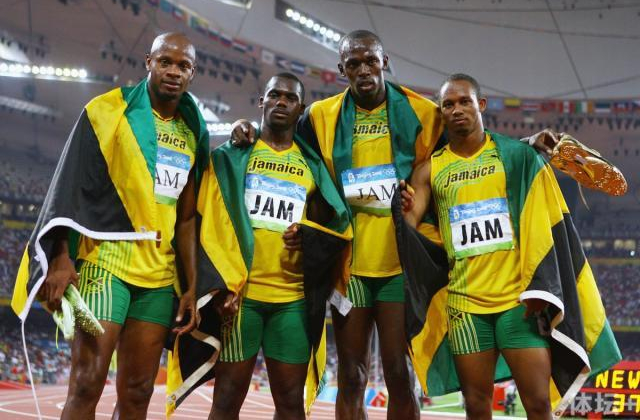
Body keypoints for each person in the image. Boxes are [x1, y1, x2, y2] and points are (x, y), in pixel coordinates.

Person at [231, 30, 560, 419]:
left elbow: (469, 141)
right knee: (351, 376)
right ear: (342, 69)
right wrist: (246, 129)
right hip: (349, 269)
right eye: (354, 63)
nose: (364, 70)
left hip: (399, 269)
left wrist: (525, 144)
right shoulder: (320, 116)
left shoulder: (423, 112)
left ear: (384, 62)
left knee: (399, 374)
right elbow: (282, 142)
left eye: (371, 61)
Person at [398, 73, 620, 419]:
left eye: (465, 101)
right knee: (476, 406)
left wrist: (535, 146)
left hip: (518, 304)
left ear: (481, 105)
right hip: (465, 306)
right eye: (448, 104)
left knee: (538, 404)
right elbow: (410, 230)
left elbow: (542, 214)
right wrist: (400, 209)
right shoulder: (430, 170)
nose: (457, 109)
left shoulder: (514, 156)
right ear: (441, 112)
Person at [12, 32, 210, 420]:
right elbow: (71, 183)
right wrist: (60, 256)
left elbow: (187, 218)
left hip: (158, 278)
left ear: (193, 73)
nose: (173, 71)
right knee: (88, 381)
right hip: (105, 266)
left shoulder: (192, 132)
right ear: (148, 62)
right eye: (165, 62)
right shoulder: (108, 112)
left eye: (183, 65)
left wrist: (190, 287)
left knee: (138, 391)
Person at [166, 73, 353, 417]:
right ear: (261, 101)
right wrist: (217, 284)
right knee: (226, 400)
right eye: (274, 95)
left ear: (300, 109)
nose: (281, 101)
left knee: (291, 404)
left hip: (291, 302)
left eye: (290, 98)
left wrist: (308, 236)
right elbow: (206, 221)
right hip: (242, 300)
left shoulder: (311, 165)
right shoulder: (233, 156)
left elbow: (329, 228)